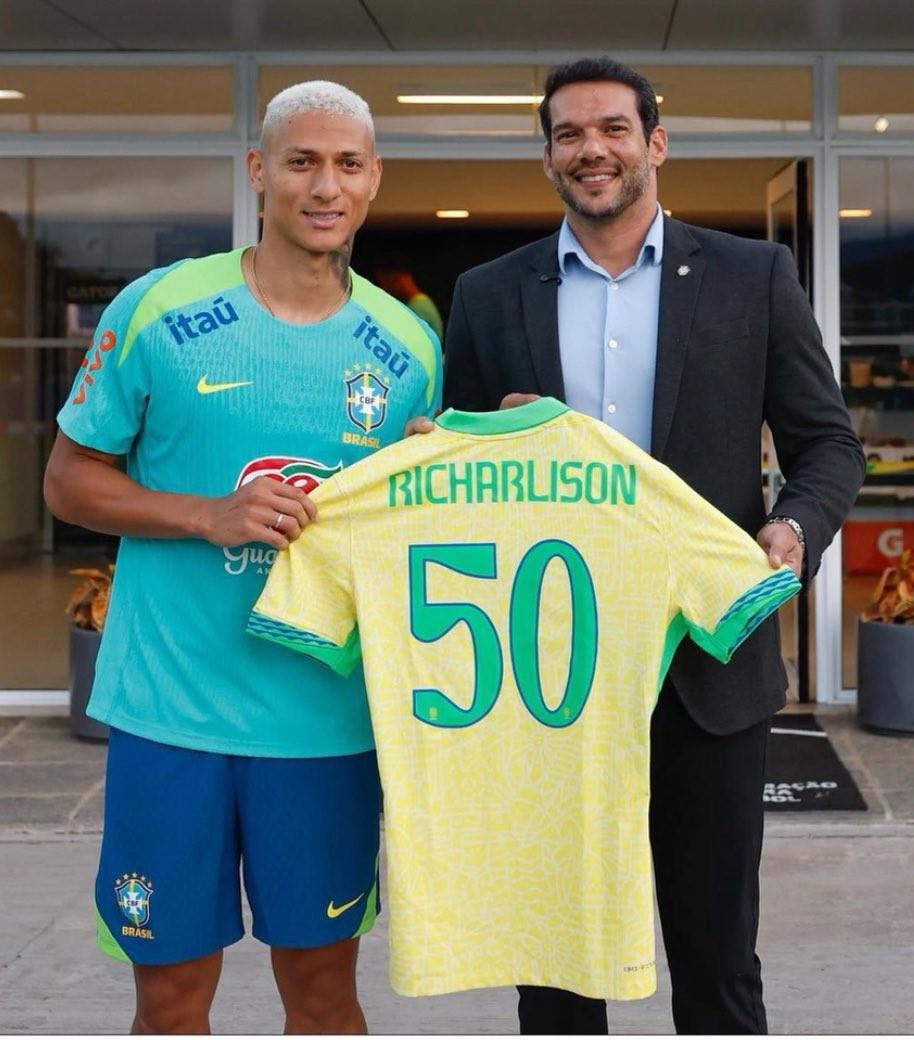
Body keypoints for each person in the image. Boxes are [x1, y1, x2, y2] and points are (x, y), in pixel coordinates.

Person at [439, 57, 865, 1035]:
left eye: (612, 129)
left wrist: (793, 530)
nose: (590, 149)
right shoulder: (488, 294)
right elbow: (453, 473)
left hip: (706, 672)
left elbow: (827, 445)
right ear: (547, 156)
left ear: (654, 144)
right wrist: (480, 439)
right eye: (568, 134)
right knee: (555, 972)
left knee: (717, 966)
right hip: (546, 678)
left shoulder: (752, 277)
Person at [43, 81, 441, 1035]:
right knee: (171, 999)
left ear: (374, 179)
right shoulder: (159, 308)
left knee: (324, 995)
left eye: (347, 165)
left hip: (325, 723)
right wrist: (204, 515)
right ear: (260, 171)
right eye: (302, 162)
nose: (325, 186)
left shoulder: (410, 348)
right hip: (170, 714)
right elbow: (67, 482)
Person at [375, 259, 445, 340]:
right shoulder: (423, 302)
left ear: (396, 278)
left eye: (384, 283)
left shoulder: (417, 309)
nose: (383, 289)